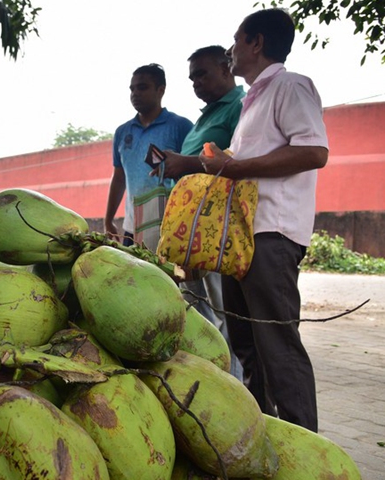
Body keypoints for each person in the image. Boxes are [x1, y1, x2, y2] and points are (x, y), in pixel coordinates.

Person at [201, 8, 329, 432]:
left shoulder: (290, 86)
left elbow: (314, 152)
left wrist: (235, 167)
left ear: (256, 43)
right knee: (248, 346)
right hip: (244, 240)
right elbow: (242, 164)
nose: (230, 51)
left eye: (235, 41)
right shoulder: (253, 99)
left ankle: (306, 448)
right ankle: (266, 436)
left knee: (277, 346)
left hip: (272, 235)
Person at [154, 45, 246, 380]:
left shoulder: (239, 106)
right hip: (190, 228)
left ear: (226, 68)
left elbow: (237, 160)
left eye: (202, 74)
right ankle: (209, 377)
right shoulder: (206, 116)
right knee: (196, 309)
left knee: (223, 312)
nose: (196, 83)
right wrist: (174, 165)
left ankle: (233, 384)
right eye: (192, 78)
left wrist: (186, 162)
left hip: (217, 227)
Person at [104, 64, 193, 247]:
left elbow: (194, 174)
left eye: (142, 87)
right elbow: (119, 178)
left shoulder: (180, 126)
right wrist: (108, 219)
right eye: (132, 89)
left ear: (161, 90)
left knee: (168, 276)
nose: (135, 93)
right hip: (132, 227)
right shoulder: (122, 132)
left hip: (169, 227)